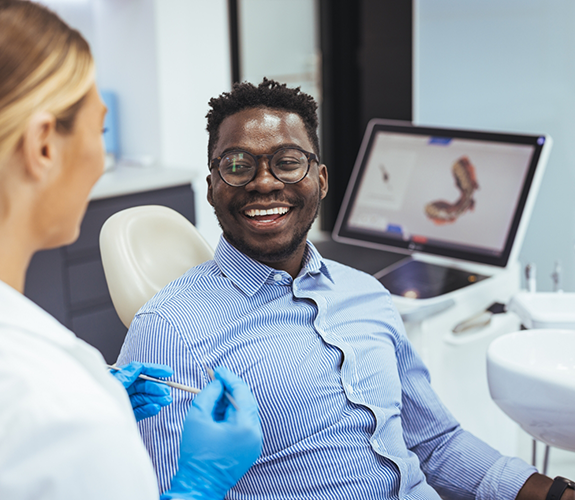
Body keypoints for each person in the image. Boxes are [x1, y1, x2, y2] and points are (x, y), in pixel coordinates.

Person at [118, 78, 574, 500]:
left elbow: (436, 444)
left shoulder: (366, 294)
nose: (263, 182)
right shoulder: (171, 328)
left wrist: (554, 493)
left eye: (288, 162)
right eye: (237, 166)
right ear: (213, 187)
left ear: (320, 180)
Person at [0, 1, 262, 498]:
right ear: (43, 147)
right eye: (99, 130)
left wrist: (97, 386)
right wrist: (197, 487)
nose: (101, 160)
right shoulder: (55, 403)